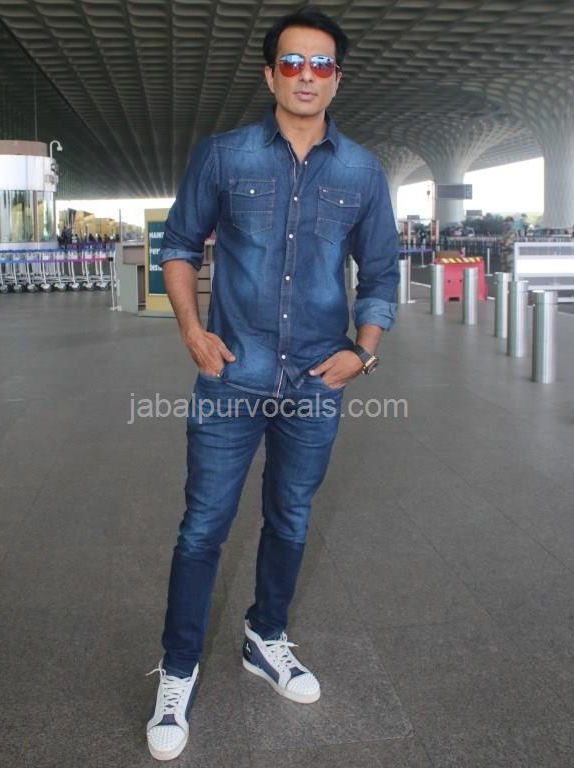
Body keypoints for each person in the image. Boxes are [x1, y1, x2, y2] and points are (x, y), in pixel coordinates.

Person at [146, 7, 399, 762]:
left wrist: (364, 352)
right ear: (269, 74)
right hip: (233, 374)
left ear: (337, 79)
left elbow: (380, 272)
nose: (305, 76)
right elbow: (179, 245)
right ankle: (178, 670)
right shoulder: (223, 156)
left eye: (321, 64)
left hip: (317, 381)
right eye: (292, 62)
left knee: (290, 518)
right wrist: (192, 332)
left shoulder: (362, 172)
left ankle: (266, 637)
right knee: (203, 526)